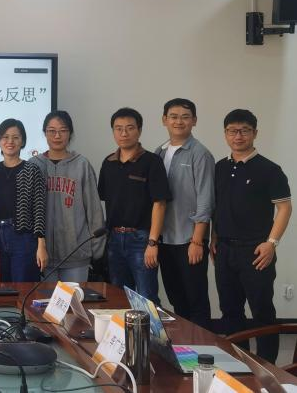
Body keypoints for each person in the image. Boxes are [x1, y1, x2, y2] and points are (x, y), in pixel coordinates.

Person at [212, 109, 291, 363]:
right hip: (224, 250)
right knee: (230, 311)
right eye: (232, 131)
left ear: (255, 133)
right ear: (225, 134)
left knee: (262, 311)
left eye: (244, 130)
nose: (238, 136)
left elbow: (285, 208)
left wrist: (271, 244)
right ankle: (239, 362)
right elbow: (217, 207)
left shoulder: (270, 169)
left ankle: (268, 366)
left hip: (256, 252)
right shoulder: (220, 167)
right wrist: (214, 238)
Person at [98, 107, 171, 304]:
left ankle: (153, 327)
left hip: (141, 239)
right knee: (118, 297)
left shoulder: (152, 162)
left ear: (139, 130)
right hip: (114, 240)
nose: (124, 133)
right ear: (113, 131)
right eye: (118, 128)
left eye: (130, 128)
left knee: (147, 297)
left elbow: (160, 203)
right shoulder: (108, 163)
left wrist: (152, 243)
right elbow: (105, 199)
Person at [154, 98, 214, 329]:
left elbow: (206, 199)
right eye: (173, 116)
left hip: (189, 240)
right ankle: (185, 346)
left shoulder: (200, 154)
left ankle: (202, 348)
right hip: (165, 239)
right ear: (164, 120)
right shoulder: (159, 152)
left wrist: (197, 241)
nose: (179, 121)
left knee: (196, 300)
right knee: (177, 298)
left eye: (185, 117)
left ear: (194, 121)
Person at [30, 110, 105, 282]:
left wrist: (96, 251)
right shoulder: (34, 165)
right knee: (45, 299)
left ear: (70, 133)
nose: (57, 136)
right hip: (42, 255)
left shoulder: (82, 165)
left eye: (63, 130)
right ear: (44, 133)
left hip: (76, 254)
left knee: (74, 299)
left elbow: (94, 210)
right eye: (51, 131)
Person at [0, 119, 47, 282]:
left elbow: (39, 209)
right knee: (0, 286)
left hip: (23, 238)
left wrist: (41, 245)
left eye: (16, 137)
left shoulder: (32, 169)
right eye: (5, 137)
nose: (10, 141)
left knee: (24, 286)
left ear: (22, 141)